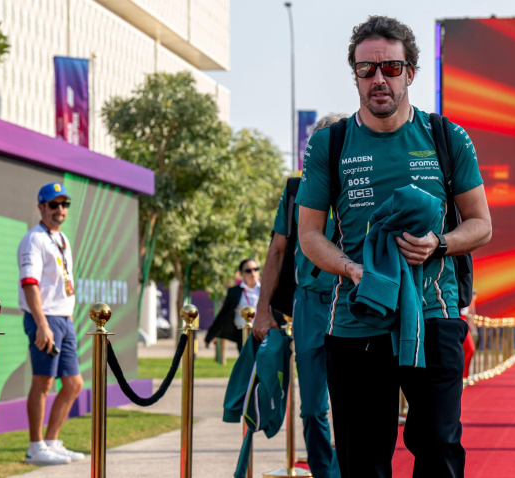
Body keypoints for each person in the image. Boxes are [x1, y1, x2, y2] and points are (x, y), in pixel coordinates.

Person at [296, 15, 492, 478]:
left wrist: (439, 244)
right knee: (363, 460)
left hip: (433, 314)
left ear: (410, 72)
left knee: (440, 447)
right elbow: (308, 235)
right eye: (366, 70)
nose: (377, 79)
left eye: (389, 68)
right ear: (355, 75)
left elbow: (481, 224)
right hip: (357, 318)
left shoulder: (447, 136)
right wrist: (351, 270)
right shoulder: (330, 143)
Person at [252, 113, 347, 478]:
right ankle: (325, 471)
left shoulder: (361, 185)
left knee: (351, 403)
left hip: (352, 304)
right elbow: (277, 251)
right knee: (312, 409)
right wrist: (263, 310)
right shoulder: (296, 190)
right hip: (308, 305)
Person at [19, 182, 85, 465]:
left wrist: (67, 317)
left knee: (73, 384)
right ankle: (35, 448)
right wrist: (42, 324)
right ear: (41, 207)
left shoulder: (62, 239)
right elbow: (29, 284)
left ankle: (52, 441)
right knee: (44, 382)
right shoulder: (33, 239)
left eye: (64, 204)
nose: (60, 209)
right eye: (53, 204)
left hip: (63, 318)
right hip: (44, 319)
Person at [205, 259, 260, 351]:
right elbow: (223, 314)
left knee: (262, 362)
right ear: (241, 274)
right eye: (248, 270)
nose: (252, 273)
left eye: (255, 269)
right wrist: (210, 336)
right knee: (246, 363)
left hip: (262, 333)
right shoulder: (234, 292)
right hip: (242, 334)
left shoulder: (265, 290)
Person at [460, 290, 478, 378]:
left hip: (464, 323)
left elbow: (471, 315)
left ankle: (464, 375)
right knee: (469, 349)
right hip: (459, 321)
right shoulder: (462, 295)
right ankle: (462, 375)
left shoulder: (469, 301)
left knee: (469, 350)